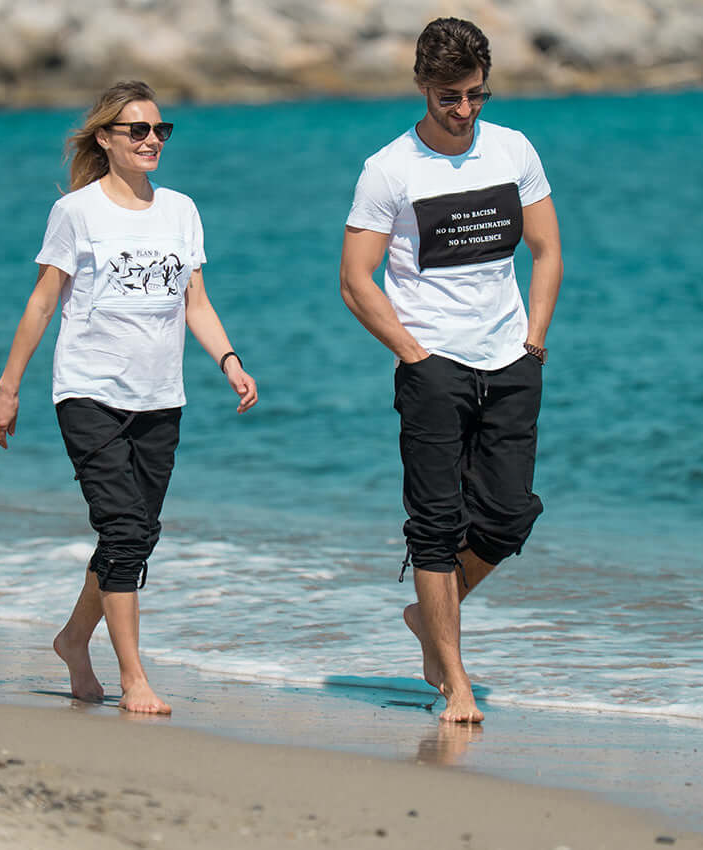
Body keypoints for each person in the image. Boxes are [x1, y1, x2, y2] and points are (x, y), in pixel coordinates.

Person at [0, 80, 258, 714]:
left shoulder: (181, 211)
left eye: (161, 129)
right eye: (138, 130)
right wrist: (8, 388)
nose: (153, 139)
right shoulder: (77, 212)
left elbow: (196, 301)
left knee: (135, 535)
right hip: (88, 392)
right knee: (126, 528)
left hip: (161, 397)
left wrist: (229, 359)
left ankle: (74, 640)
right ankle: (135, 677)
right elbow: (44, 300)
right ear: (105, 138)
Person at [340, 18, 562, 723]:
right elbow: (355, 279)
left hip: (510, 358)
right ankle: (455, 680)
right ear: (422, 87)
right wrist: (414, 355)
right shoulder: (390, 169)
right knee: (435, 525)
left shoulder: (513, 149)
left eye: (475, 95)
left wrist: (534, 339)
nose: (464, 111)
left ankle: (427, 619)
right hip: (433, 365)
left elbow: (548, 252)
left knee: (507, 516)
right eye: (449, 98)